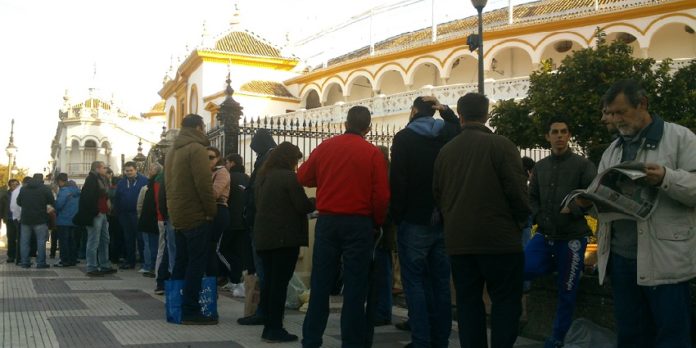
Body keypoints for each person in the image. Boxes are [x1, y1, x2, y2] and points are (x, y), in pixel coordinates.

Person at [594, 79, 696, 347]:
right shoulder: (612, 150)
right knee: (630, 336)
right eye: (611, 113)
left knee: (672, 337)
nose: (615, 119)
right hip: (621, 260)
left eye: (621, 112)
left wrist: (666, 177)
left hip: (665, 261)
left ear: (643, 104)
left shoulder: (680, 138)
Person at [433, 93, 530, 348]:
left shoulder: (445, 152)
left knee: (467, 305)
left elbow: (438, 195)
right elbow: (518, 192)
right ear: (486, 114)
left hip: (460, 241)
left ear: (460, 114)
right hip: (499, 240)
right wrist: (521, 221)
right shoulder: (501, 145)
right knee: (506, 303)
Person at [299, 105, 390, 348]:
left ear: (345, 124)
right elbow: (381, 196)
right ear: (368, 128)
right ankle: (351, 341)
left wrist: (326, 178)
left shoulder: (326, 147)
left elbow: (303, 177)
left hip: (328, 221)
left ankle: (311, 339)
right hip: (359, 224)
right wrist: (377, 222)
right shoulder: (372, 153)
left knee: (320, 284)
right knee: (355, 286)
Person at [390, 96, 460, 347]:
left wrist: (396, 216)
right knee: (441, 282)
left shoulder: (404, 138)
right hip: (443, 217)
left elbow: (398, 180)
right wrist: (447, 112)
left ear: (414, 111)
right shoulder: (448, 134)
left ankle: (421, 340)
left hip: (414, 218)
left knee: (414, 283)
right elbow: (459, 126)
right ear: (434, 112)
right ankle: (440, 340)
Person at [524, 117, 597, 348]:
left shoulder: (583, 165)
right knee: (523, 267)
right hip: (545, 236)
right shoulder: (540, 167)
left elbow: (594, 194)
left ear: (569, 135)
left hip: (572, 237)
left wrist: (573, 209)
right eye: (554, 132)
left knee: (568, 289)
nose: (559, 136)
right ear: (548, 136)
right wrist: (537, 216)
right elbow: (532, 197)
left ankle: (557, 337)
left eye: (564, 131)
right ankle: (559, 265)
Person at [254, 142, 315, 343]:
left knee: (270, 285)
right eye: (296, 160)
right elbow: (302, 205)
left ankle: (268, 326)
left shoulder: (264, 176)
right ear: (289, 159)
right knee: (279, 286)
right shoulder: (289, 177)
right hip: (284, 239)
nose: (297, 164)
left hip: (265, 238)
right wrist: (315, 201)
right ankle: (275, 329)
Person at [165, 114, 218, 325]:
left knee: (180, 262)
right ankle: (190, 310)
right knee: (196, 264)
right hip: (196, 214)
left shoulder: (172, 151)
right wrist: (211, 211)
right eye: (203, 127)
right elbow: (203, 184)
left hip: (177, 214)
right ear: (198, 127)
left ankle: (175, 307)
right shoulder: (196, 149)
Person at [238, 129, 277, 325]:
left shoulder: (266, 161)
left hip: (260, 223)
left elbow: (259, 192)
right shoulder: (267, 159)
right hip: (259, 221)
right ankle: (265, 312)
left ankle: (264, 312)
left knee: (263, 270)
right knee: (263, 269)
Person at [73, 161, 116, 276]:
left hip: (103, 213)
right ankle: (91, 266)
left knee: (104, 239)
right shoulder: (91, 180)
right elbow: (88, 198)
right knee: (93, 241)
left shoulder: (103, 179)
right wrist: (95, 211)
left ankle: (104, 264)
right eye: (104, 167)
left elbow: (105, 194)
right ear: (97, 168)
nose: (106, 169)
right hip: (95, 214)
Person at [223, 153, 251, 296]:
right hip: (244, 221)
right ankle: (236, 279)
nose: (226, 164)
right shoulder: (247, 178)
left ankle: (234, 277)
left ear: (232, 163)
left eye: (227, 162)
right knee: (238, 252)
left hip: (229, 221)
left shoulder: (228, 177)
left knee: (222, 250)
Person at [17, 173, 56, 269]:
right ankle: (41, 263)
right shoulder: (45, 189)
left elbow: (19, 202)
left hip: (25, 219)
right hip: (40, 219)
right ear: (42, 179)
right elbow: (52, 201)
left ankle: (25, 262)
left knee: (24, 241)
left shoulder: (24, 189)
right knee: (41, 241)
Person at [116, 161, 148, 270]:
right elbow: (117, 198)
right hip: (125, 215)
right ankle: (130, 261)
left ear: (136, 170)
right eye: (127, 171)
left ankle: (144, 262)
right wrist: (119, 213)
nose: (128, 173)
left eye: (131, 170)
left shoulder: (144, 181)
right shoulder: (121, 182)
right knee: (128, 239)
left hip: (138, 214)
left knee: (141, 239)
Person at [207, 146, 231, 283]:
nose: (208, 160)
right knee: (207, 248)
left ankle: (216, 279)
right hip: (207, 212)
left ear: (217, 159)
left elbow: (214, 193)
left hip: (219, 211)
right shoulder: (205, 172)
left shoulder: (221, 172)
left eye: (211, 157)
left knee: (212, 248)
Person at [137, 163, 163, 278]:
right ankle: (149, 265)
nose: (149, 170)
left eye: (151, 169)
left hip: (152, 219)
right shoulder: (149, 185)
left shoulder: (154, 185)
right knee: (150, 244)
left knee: (153, 245)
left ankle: (151, 266)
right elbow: (141, 204)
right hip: (149, 219)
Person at [54, 173, 80, 267]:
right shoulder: (77, 191)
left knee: (63, 241)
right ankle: (73, 260)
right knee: (72, 241)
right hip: (74, 220)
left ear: (60, 181)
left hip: (63, 220)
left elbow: (59, 205)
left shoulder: (64, 190)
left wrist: (54, 205)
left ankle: (64, 260)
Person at [4, 179, 20, 263]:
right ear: (10, 186)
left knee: (20, 238)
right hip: (10, 219)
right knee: (10, 238)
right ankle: (11, 256)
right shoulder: (6, 195)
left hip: (18, 219)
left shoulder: (21, 194)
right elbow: (2, 207)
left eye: (17, 184)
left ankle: (19, 256)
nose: (15, 186)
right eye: (13, 185)